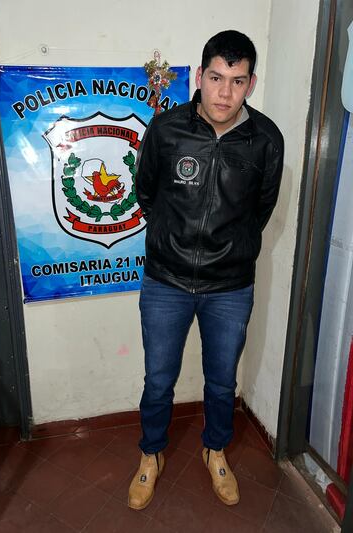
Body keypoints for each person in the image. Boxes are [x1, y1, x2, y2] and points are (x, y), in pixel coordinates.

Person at [128, 30, 284, 510]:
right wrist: (173, 240)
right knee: (159, 380)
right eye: (216, 78)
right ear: (199, 76)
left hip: (230, 287)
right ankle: (151, 454)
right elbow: (145, 193)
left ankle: (215, 451)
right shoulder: (166, 129)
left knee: (221, 383)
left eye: (237, 81)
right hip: (165, 281)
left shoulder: (266, 140)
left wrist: (231, 249)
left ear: (250, 83)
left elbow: (261, 210)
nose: (224, 92)